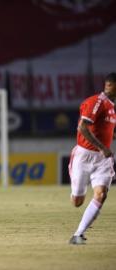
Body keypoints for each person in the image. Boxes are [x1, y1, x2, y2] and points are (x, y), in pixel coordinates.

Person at [68, 72, 116, 245]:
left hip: (103, 159)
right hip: (84, 155)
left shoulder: (111, 107)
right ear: (110, 85)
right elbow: (82, 128)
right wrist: (102, 147)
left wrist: (105, 147)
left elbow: (108, 132)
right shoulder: (97, 102)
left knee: (101, 194)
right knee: (77, 201)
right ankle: (75, 189)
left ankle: (78, 235)